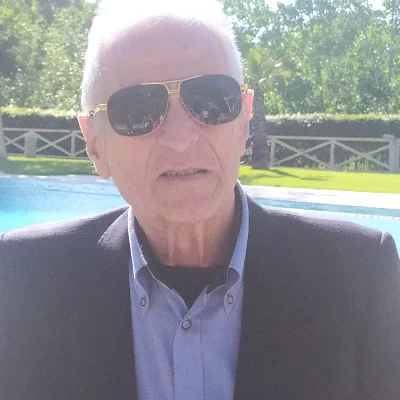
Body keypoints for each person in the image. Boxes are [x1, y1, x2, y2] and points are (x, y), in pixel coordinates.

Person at [1, 1, 399, 399]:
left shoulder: (359, 276)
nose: (180, 138)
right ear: (94, 144)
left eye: (211, 99)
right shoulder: (23, 279)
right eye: (137, 109)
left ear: (244, 121)